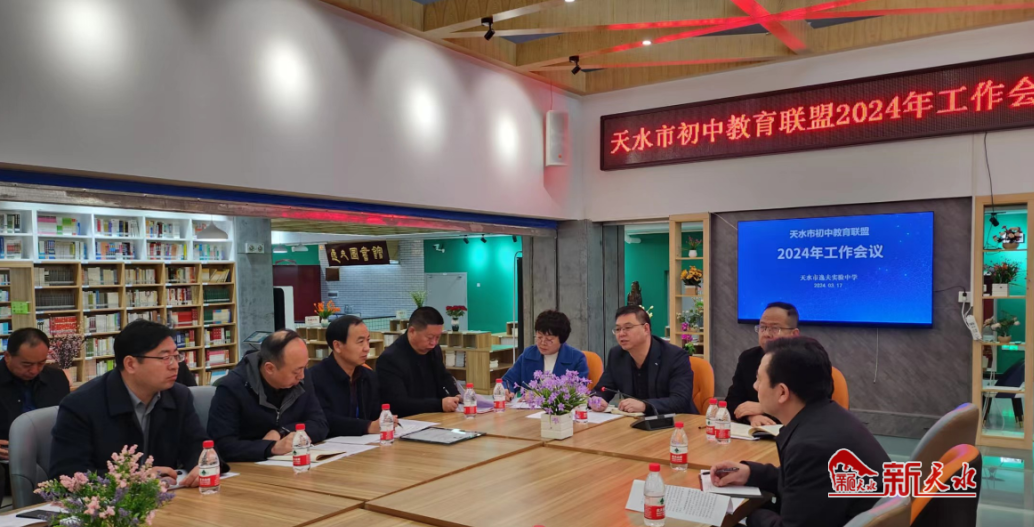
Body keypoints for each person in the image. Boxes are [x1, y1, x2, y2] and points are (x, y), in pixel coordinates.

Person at [710, 337, 890, 527]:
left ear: (782, 392)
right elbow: (804, 482)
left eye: (759, 379)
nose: (755, 386)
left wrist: (749, 514)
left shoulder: (811, 447)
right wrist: (750, 473)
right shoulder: (828, 415)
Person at [50, 320, 208, 485]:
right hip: (109, 500)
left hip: (168, 496)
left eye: (176, 356)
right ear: (131, 364)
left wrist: (202, 464)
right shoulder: (81, 405)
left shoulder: (178, 396)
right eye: (165, 358)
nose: (175, 366)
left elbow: (198, 445)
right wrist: (133, 479)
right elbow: (67, 475)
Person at [208, 329, 328, 461]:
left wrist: (282, 432)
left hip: (289, 461)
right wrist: (271, 447)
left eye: (305, 367)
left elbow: (320, 424)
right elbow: (222, 446)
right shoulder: (232, 388)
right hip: (248, 466)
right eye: (296, 371)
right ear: (270, 368)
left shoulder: (302, 379)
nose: (302, 376)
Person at [0, 329, 70, 494]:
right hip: (6, 460)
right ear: (7, 356)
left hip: (50, 456)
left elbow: (67, 420)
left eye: (41, 363)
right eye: (26, 364)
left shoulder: (56, 378)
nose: (34, 370)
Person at [594, 306, 697, 415]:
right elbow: (602, 389)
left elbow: (680, 400)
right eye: (618, 329)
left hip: (676, 421)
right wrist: (597, 399)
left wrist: (645, 405)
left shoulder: (675, 356)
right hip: (636, 421)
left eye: (628, 328)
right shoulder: (617, 355)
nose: (621, 334)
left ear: (646, 329)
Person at [309, 316, 386, 436]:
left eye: (368, 340)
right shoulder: (314, 378)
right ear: (337, 346)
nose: (367, 348)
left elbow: (377, 413)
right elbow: (324, 419)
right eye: (360, 342)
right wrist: (367, 427)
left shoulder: (369, 377)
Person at [726, 302, 800, 426]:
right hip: (753, 432)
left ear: (794, 334)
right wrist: (751, 416)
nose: (766, 334)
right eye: (762, 327)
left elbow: (811, 409)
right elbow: (732, 401)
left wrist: (765, 408)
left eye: (775, 328)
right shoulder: (748, 358)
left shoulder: (807, 361)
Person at [377, 307, 460, 417]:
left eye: (438, 337)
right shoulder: (390, 359)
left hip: (437, 416)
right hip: (408, 420)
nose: (433, 343)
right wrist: (439, 405)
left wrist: (456, 394)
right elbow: (398, 403)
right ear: (412, 331)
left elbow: (443, 376)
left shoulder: (434, 350)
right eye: (430, 337)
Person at [501, 310, 588, 398]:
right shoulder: (529, 354)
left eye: (549, 340)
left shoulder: (576, 358)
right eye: (539, 337)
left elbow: (578, 390)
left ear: (562, 339)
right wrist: (505, 390)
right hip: (527, 407)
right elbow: (508, 380)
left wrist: (539, 395)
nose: (542, 343)